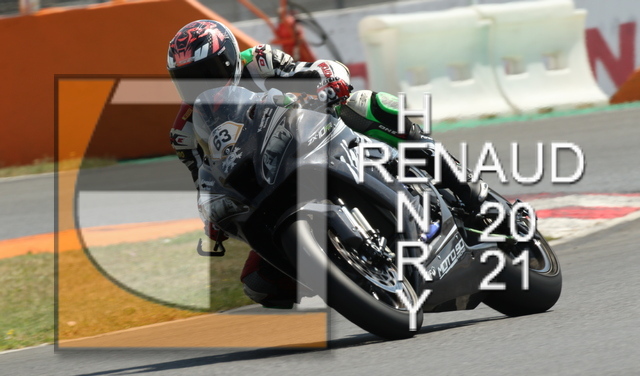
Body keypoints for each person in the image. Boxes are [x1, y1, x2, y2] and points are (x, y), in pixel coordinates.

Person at [167, 19, 487, 308]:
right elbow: (203, 179)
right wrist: (212, 217)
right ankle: (351, 274)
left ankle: (465, 187)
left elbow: (312, 70)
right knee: (259, 283)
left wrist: (328, 79)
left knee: (364, 105)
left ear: (230, 60)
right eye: (187, 80)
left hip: (313, 134)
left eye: (207, 74)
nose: (200, 86)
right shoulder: (184, 131)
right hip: (264, 182)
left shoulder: (260, 61)